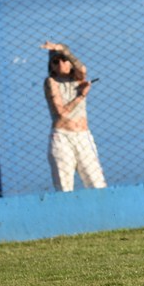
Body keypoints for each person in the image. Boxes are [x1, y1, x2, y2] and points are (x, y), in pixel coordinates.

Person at [42, 41, 107, 192]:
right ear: (51, 65)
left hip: (83, 136)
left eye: (64, 60)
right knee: (64, 187)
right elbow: (61, 113)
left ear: (70, 62)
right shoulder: (51, 82)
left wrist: (63, 50)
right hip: (62, 137)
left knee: (97, 184)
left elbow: (82, 69)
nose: (60, 64)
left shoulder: (78, 78)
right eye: (55, 61)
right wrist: (80, 96)